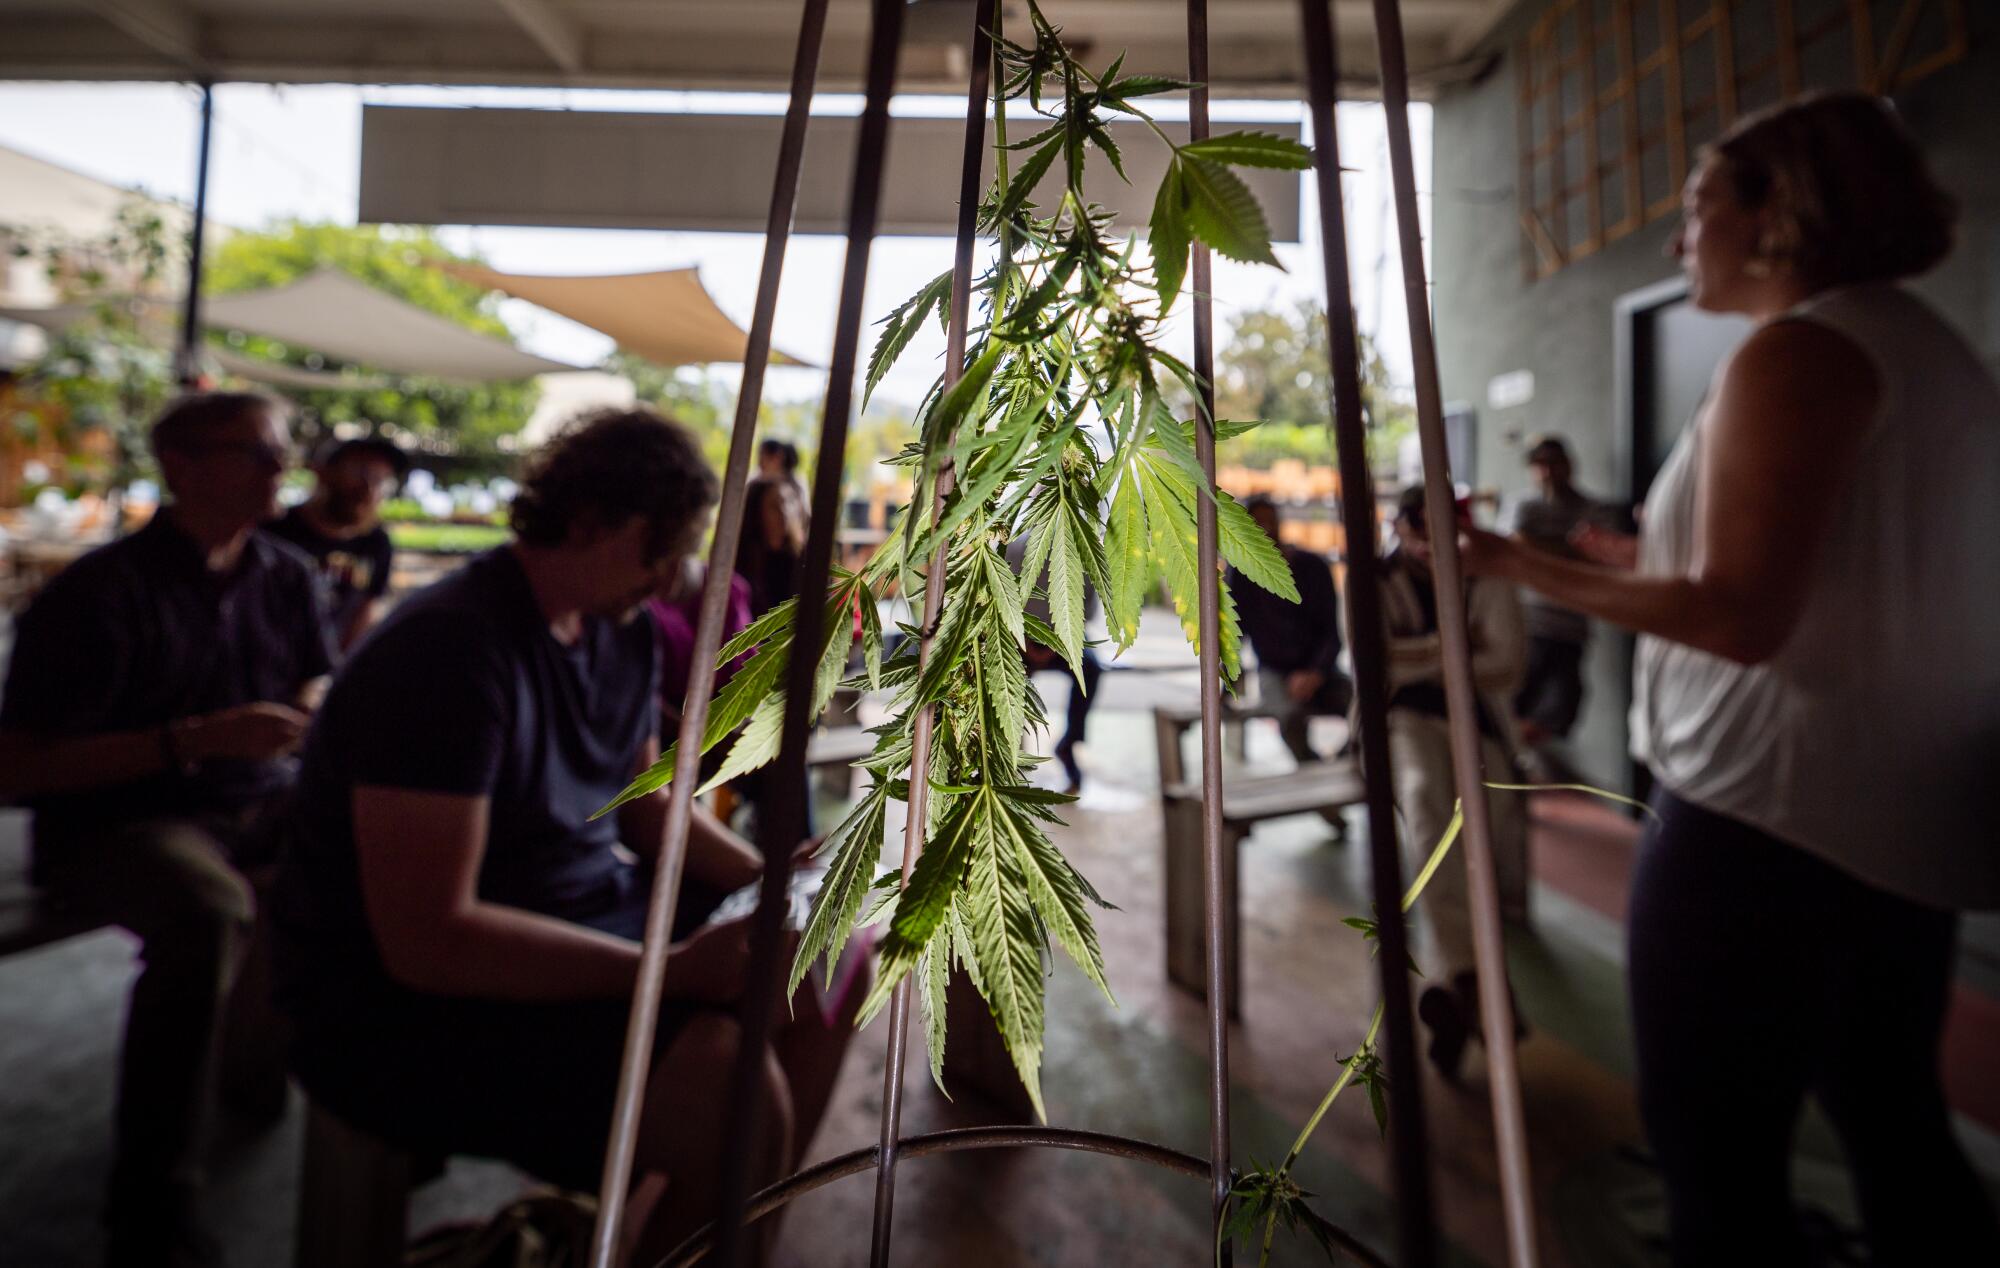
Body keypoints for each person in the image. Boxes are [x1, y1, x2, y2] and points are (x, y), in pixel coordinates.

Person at [1457, 93, 2000, 1265]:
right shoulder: (1925, 346)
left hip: (1764, 825)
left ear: (1776, 212)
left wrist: (1515, 560)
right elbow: (1813, 565)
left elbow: (1738, 613)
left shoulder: (1800, 348)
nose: (1677, 236)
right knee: (1893, 1119)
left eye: (1698, 204)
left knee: (1715, 1153)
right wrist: (1626, 557)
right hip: (1885, 822)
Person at [271, 408, 862, 1264]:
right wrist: (668, 974)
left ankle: (707, 1231)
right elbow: (430, 942)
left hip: (579, 916)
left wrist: (774, 877)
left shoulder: (616, 632)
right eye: (659, 550)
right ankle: (701, 1218)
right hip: (400, 1005)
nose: (669, 583)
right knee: (731, 1091)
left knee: (833, 963)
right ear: (589, 521)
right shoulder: (446, 654)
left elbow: (649, 810)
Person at [0, 391, 334, 1267]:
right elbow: (21, 768)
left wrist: (306, 718)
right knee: (205, 910)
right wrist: (193, 741)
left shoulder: (288, 576)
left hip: (254, 799)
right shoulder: (97, 593)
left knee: (377, 844)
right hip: (117, 825)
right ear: (182, 468)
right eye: (259, 452)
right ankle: (150, 1204)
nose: (282, 469)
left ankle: (283, 1079)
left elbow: (312, 687)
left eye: (281, 452)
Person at [1374, 486, 1528, 1080]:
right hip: (1400, 718)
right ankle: (1483, 991)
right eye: (1425, 533)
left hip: (1477, 719)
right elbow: (1371, 661)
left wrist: (1419, 655)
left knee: (1487, 830)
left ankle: (1457, 987)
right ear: (1404, 529)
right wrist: (1454, 649)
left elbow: (1508, 664)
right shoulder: (1376, 577)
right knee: (1424, 803)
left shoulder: (1486, 575)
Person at [1502, 435, 1625, 764]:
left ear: (1569, 464)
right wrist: (1569, 549)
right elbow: (1513, 549)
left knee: (1559, 711)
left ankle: (1517, 759)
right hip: (1528, 625)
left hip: (1570, 627)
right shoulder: (1524, 505)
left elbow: (1604, 557)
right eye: (1538, 464)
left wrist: (1538, 548)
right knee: (1516, 705)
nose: (1546, 471)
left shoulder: (1593, 508)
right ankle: (1513, 765)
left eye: (1552, 462)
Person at [1228, 495, 1352, 764]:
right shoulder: (1242, 576)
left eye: (1269, 522)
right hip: (1274, 673)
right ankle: (1317, 776)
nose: (1265, 530)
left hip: (1319, 672)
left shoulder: (1313, 568)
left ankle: (1339, 769)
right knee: (1288, 718)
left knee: (1365, 708)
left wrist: (1314, 673)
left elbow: (1331, 634)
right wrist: (1226, 685)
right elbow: (1236, 634)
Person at [263, 435, 407, 654]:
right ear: (322, 472)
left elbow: (365, 612)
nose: (368, 488)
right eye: (360, 473)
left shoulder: (376, 543)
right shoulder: (273, 532)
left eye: (381, 480)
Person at [1004, 534, 1102, 795]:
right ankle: (1011, 742)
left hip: (1063, 639)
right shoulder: (1015, 547)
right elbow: (1003, 602)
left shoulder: (1083, 552)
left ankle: (1069, 743)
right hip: (1020, 637)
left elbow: (1086, 613)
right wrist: (1029, 642)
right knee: (1001, 672)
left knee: (1091, 669)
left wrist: (1052, 645)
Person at [735, 476, 808, 619]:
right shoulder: (741, 561)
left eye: (787, 503)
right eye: (774, 506)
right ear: (756, 512)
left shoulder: (802, 560)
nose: (784, 511)